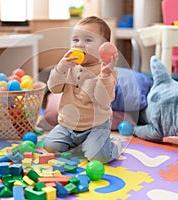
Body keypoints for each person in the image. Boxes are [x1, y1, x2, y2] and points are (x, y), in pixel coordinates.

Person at [43, 16, 120, 163]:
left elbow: (102, 99)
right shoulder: (69, 67)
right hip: (68, 126)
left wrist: (104, 75)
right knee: (49, 146)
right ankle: (81, 145)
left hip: (95, 127)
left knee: (99, 157)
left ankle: (112, 146)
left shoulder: (107, 71)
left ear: (103, 47)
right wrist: (60, 68)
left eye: (88, 40)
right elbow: (54, 88)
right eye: (75, 40)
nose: (80, 45)